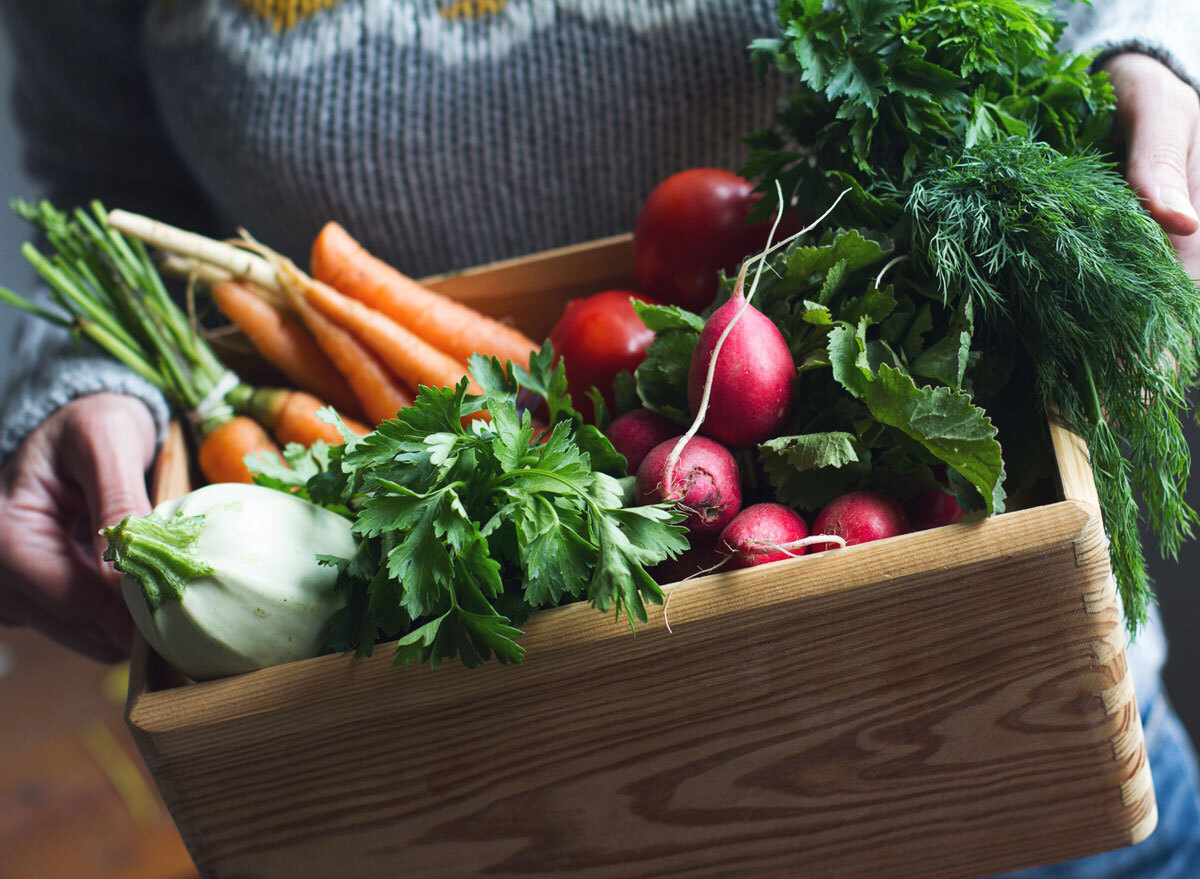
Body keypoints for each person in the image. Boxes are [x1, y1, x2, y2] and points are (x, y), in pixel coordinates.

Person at [0, 1, 1197, 875]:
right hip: (449, 809)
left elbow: (1096, 17)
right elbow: (90, 175)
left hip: (987, 741)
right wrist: (90, 378)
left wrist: (1153, 73)